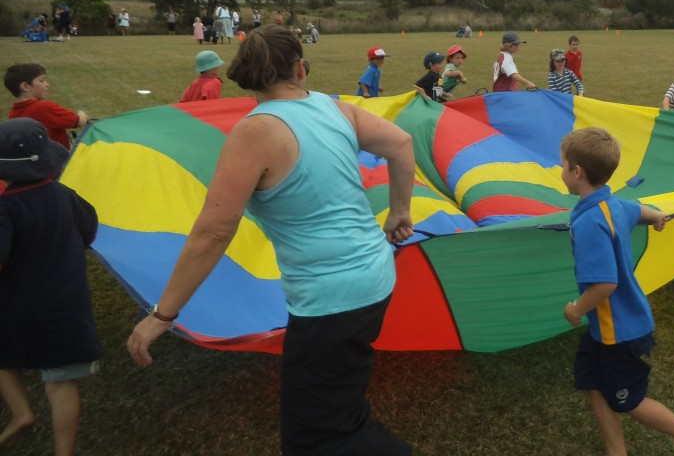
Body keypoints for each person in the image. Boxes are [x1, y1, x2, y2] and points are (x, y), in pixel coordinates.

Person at [127, 25, 415, 455]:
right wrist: (399, 211)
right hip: (374, 277)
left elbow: (213, 231)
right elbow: (401, 143)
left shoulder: (255, 132)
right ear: (300, 69)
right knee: (336, 403)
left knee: (316, 438)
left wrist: (162, 314)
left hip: (331, 299)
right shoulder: (334, 107)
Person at [560, 127, 674, 456]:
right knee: (592, 380)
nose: (561, 171)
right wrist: (655, 215)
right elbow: (636, 210)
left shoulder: (590, 223)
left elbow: (605, 284)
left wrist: (575, 308)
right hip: (609, 325)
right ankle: (617, 450)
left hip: (619, 330)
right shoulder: (611, 205)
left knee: (627, 399)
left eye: (562, 166)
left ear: (577, 172)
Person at [0, 118, 101, 456]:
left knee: (3, 356)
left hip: (17, 305)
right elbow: (88, 231)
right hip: (66, 305)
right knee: (60, 383)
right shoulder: (66, 196)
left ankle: (21, 413)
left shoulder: (5, 207)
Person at [5, 63, 88, 149]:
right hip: (56, 156)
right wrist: (82, 114)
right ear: (25, 86)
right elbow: (78, 121)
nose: (47, 84)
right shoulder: (45, 108)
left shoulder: (13, 113)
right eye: (41, 81)